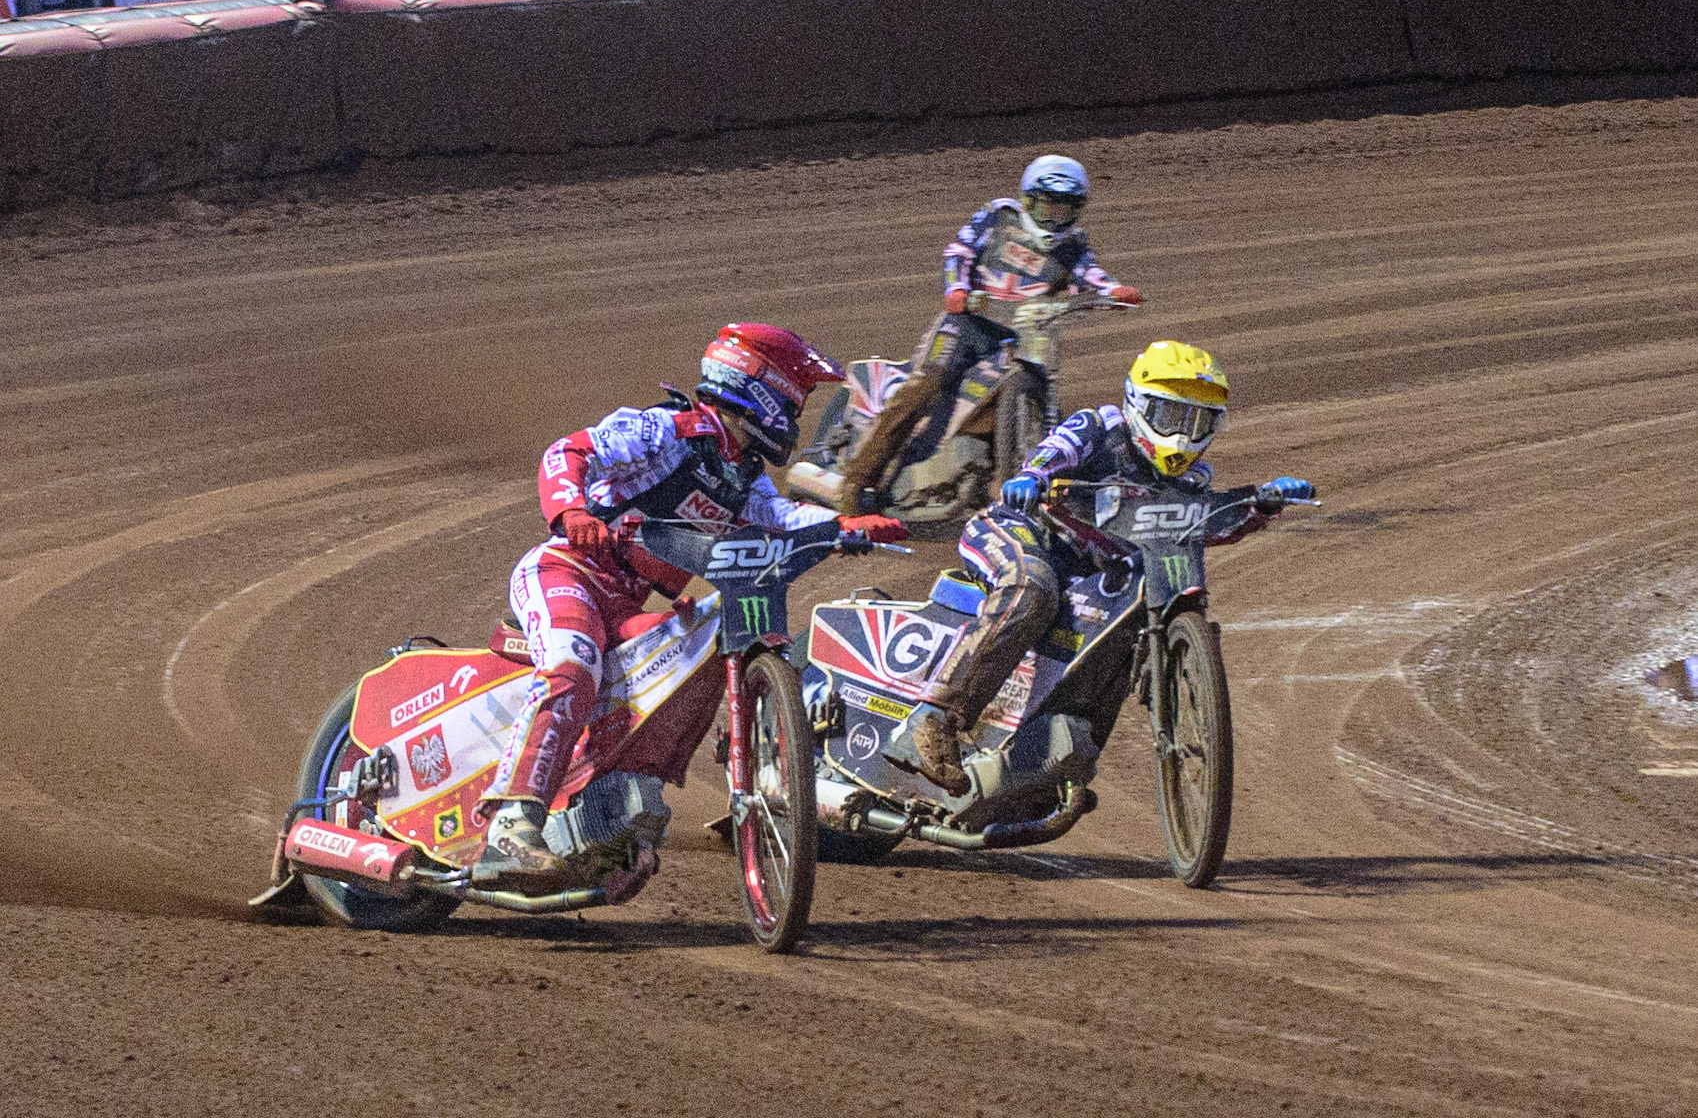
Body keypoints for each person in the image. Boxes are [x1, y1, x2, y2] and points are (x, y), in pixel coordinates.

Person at [476, 322, 909, 892]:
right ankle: (512, 825)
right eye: (794, 398)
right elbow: (570, 451)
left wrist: (847, 527)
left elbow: (780, 521)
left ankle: (605, 798)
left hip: (625, 603)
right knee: (574, 662)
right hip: (566, 571)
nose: (797, 414)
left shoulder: (742, 478)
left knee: (693, 652)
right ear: (759, 387)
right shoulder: (666, 431)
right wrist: (573, 513)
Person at [890, 340, 1313, 794]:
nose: (1183, 434)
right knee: (1033, 586)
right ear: (1138, 405)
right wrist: (1033, 478)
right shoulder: (1099, 427)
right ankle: (935, 719)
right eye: (1172, 417)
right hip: (1022, 529)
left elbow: (1206, 526)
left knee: (1126, 618)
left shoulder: (1191, 481)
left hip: (1084, 569)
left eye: (1197, 421)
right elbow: (1054, 452)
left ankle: (1054, 755)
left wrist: (1262, 504)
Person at [835, 154, 1144, 512]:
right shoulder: (1000, 215)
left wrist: (1114, 292)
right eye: (1048, 206)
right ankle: (858, 481)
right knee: (926, 385)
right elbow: (960, 250)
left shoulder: (1073, 245)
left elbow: (1091, 275)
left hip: (1018, 338)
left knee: (1038, 395)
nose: (1055, 217)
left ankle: (1009, 483)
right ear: (1029, 199)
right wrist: (956, 289)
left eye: (1065, 210)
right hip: (966, 323)